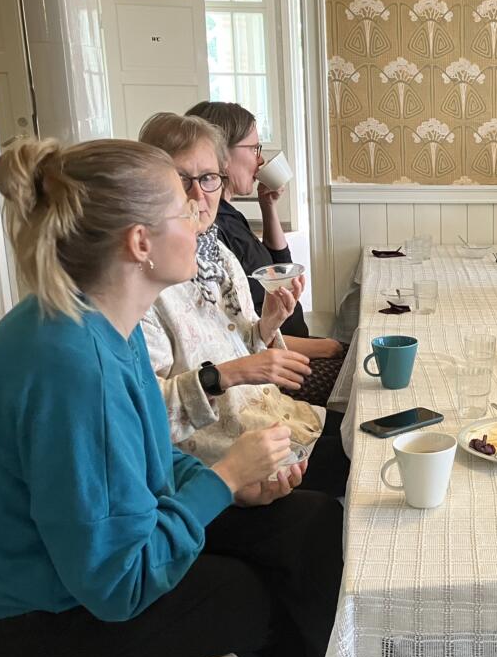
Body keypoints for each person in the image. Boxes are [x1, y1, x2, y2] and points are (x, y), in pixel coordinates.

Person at [0, 137, 497, 657]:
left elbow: (148, 468)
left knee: (308, 524)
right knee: (252, 595)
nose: (201, 218)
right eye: (185, 208)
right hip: (38, 628)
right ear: (140, 244)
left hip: (79, 573)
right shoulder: (73, 366)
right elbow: (118, 583)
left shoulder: (94, 326)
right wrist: (224, 479)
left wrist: (240, 492)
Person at [137, 112, 349, 496]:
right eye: (181, 179)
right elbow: (148, 415)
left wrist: (267, 325)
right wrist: (229, 373)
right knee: (352, 478)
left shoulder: (219, 254)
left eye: (208, 178)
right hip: (220, 455)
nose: (197, 195)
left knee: (368, 436)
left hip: (271, 418)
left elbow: (247, 351)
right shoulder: (144, 285)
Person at [186, 101, 346, 405]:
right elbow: (237, 334)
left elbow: (279, 271)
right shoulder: (214, 231)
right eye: (254, 148)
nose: (260, 161)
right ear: (222, 154)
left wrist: (268, 207)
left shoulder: (231, 216)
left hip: (285, 344)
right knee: (365, 369)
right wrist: (327, 347)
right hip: (276, 363)